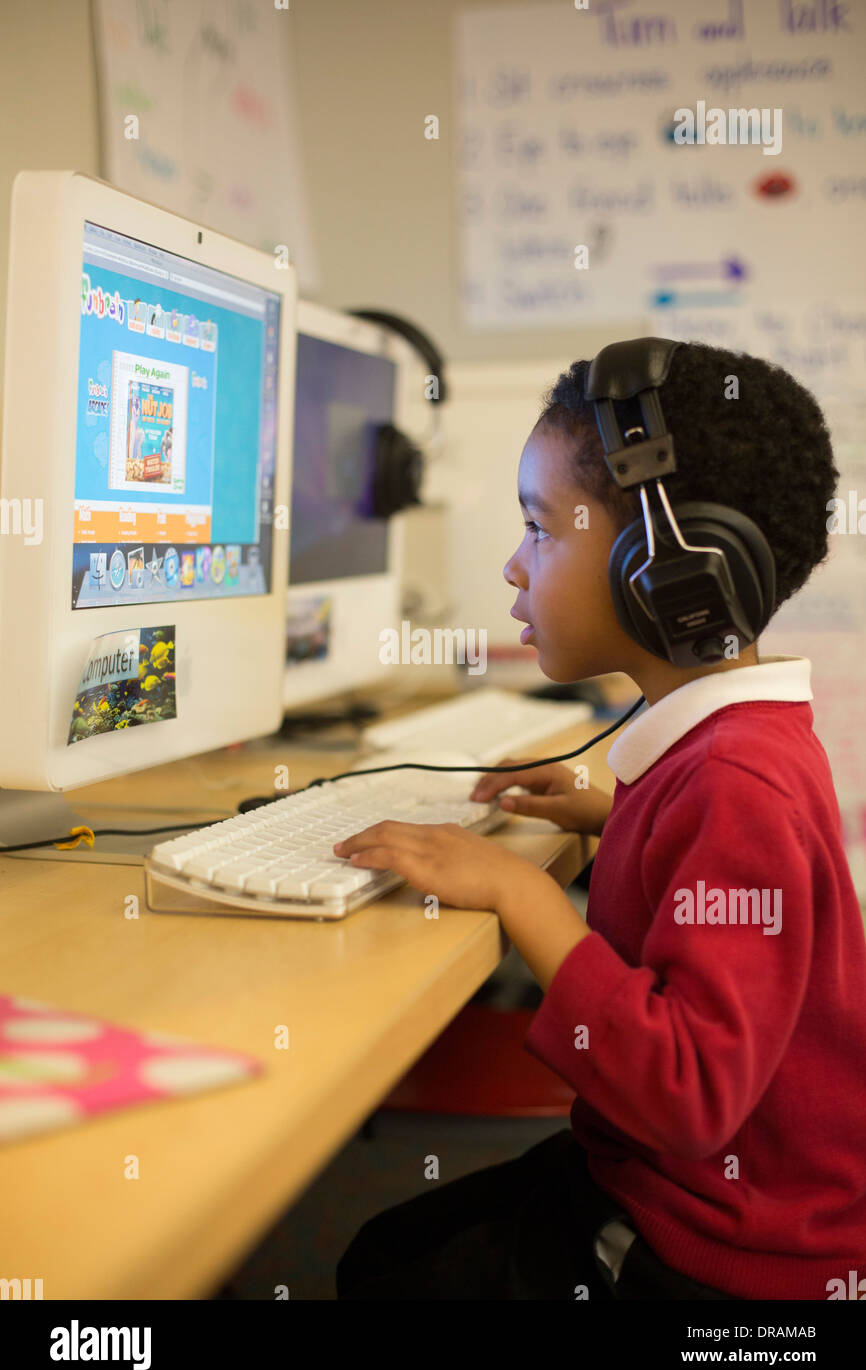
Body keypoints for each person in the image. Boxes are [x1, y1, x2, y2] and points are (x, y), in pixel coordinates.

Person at [333, 340, 866, 1300]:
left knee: (387, 1272)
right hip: (679, 1188)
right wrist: (612, 817)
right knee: (386, 1247)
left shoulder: (736, 779)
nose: (512, 565)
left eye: (540, 529)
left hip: (721, 1260)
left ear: (660, 565)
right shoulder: (740, 742)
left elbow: (690, 1094)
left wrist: (517, 890)